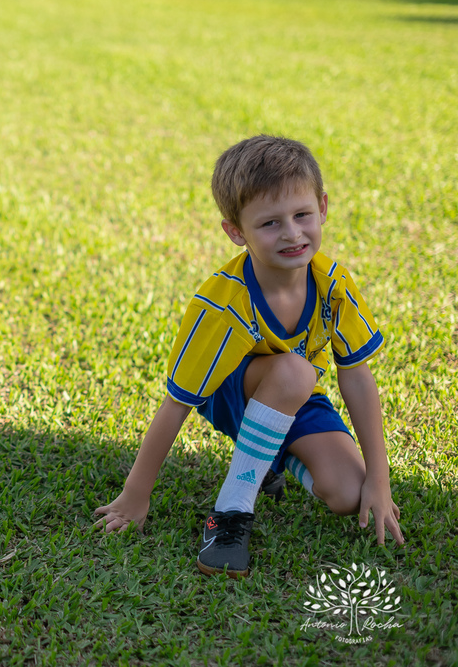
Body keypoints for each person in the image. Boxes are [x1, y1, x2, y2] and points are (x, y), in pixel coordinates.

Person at [93, 135, 403, 577]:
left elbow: (356, 377)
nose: (293, 233)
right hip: (230, 395)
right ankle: (231, 513)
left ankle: (268, 451)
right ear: (236, 232)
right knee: (296, 372)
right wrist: (135, 493)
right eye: (270, 223)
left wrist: (379, 477)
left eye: (302, 215)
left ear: (324, 207)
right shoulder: (223, 302)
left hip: (292, 393)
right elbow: (177, 403)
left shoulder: (332, 283)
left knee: (348, 493)